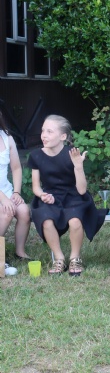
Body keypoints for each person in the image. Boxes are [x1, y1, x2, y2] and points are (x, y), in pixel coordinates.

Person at [27, 115, 106, 276]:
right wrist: (42, 195)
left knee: (75, 220)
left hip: (73, 195)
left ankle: (75, 258)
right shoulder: (36, 155)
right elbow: (36, 187)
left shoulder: (72, 154)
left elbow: (82, 190)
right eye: (43, 131)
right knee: (46, 220)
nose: (44, 135)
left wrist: (78, 166)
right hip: (50, 196)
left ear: (63, 136)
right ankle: (59, 258)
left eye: (49, 131)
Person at [0, 111, 31, 261]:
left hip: (6, 190)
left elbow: (17, 168)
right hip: (2, 196)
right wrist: (4, 199)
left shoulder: (7, 139)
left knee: (24, 211)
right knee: (7, 212)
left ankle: (20, 252)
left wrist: (16, 192)